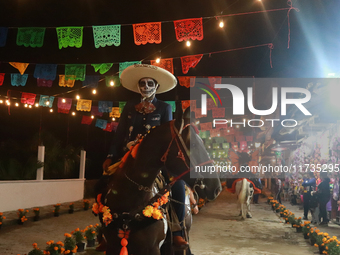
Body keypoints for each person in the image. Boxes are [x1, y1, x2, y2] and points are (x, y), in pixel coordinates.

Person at [100, 64, 189, 249]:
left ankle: (176, 231)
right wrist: (111, 154)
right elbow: (120, 132)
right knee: (102, 185)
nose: (146, 86)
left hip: (156, 160)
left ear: (156, 86)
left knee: (178, 186)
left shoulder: (164, 107)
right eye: (142, 83)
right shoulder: (130, 106)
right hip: (128, 157)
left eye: (150, 83)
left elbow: (168, 136)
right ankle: (105, 230)